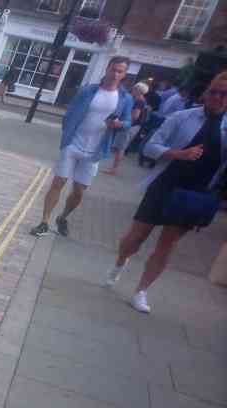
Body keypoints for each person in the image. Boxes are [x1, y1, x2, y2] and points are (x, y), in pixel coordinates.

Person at [103, 71, 227, 313]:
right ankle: (120, 263)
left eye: (225, 94)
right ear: (206, 93)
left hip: (195, 194)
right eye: (214, 91)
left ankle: (141, 291)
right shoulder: (182, 117)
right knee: (135, 238)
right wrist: (177, 153)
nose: (218, 97)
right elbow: (149, 147)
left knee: (167, 245)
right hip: (165, 184)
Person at [30, 56, 133, 238]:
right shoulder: (87, 91)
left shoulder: (125, 98)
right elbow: (69, 114)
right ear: (107, 68)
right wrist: (66, 137)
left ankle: (63, 217)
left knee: (78, 192)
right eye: (113, 69)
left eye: (120, 71)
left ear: (124, 74)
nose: (115, 74)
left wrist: (119, 124)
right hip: (73, 144)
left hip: (95, 151)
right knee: (58, 183)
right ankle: (44, 222)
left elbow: (128, 122)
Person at [104, 81, 148, 174]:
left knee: (120, 147)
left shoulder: (139, 101)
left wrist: (124, 123)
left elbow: (135, 116)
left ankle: (114, 169)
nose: (133, 90)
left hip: (131, 126)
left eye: (135, 88)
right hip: (133, 126)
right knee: (119, 147)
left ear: (139, 91)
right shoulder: (139, 100)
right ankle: (113, 168)